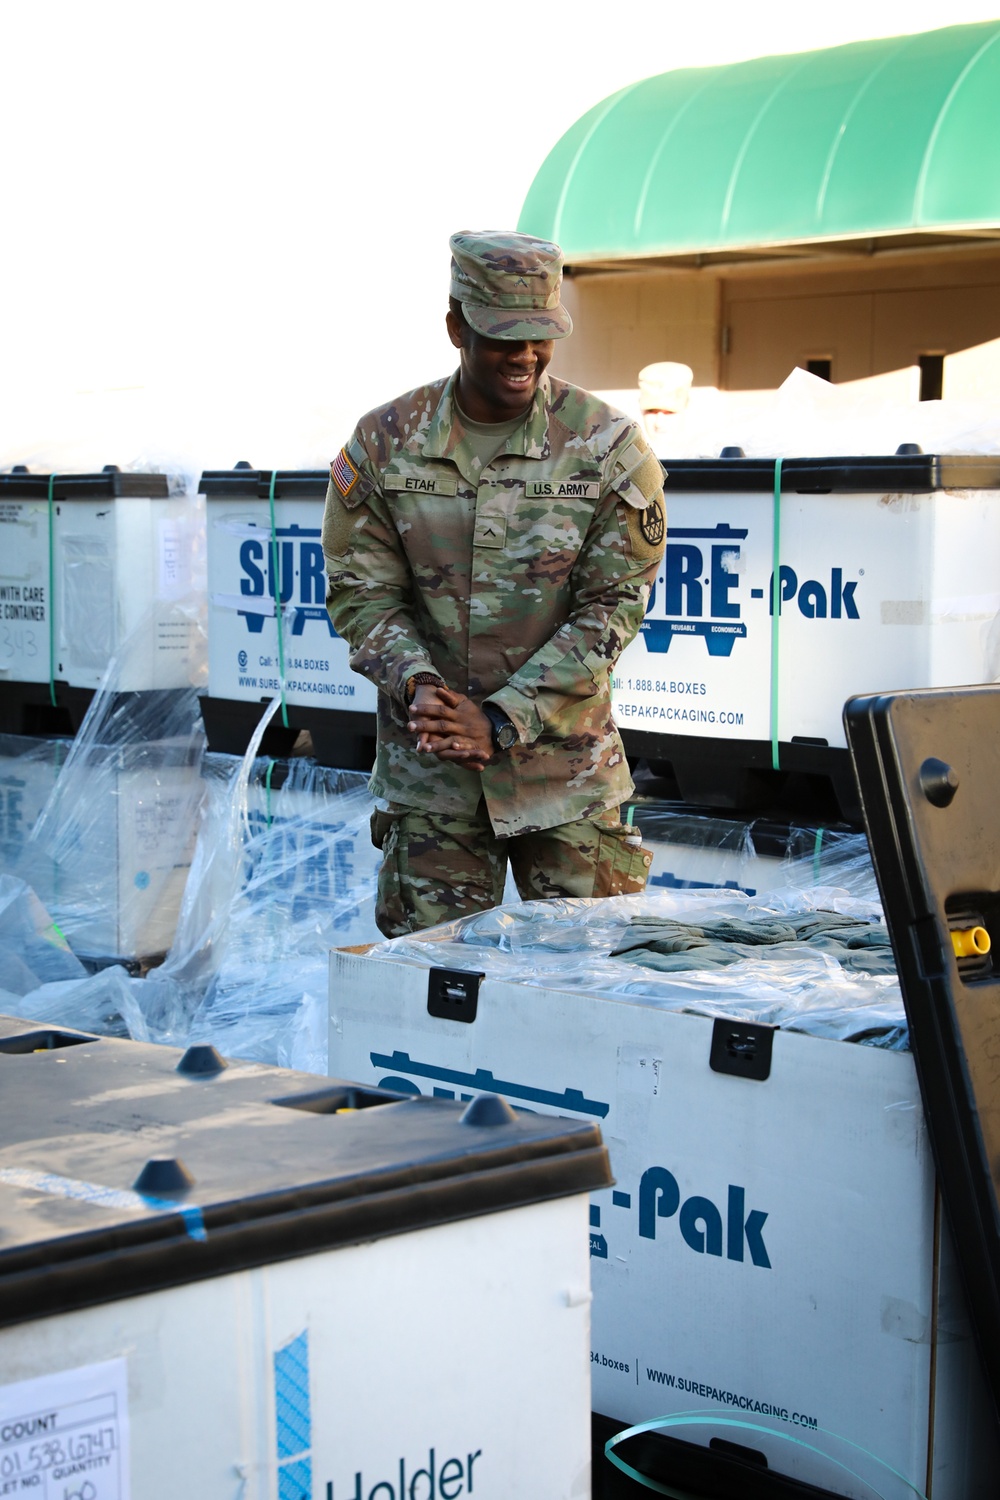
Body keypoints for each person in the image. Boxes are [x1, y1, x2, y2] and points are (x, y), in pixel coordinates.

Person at [323, 229, 667, 937]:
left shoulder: (607, 446)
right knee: (433, 992)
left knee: (594, 991)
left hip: (565, 782)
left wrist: (504, 717)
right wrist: (419, 687)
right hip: (434, 783)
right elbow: (363, 594)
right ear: (456, 325)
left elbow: (612, 609)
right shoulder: (385, 442)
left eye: (541, 336)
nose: (525, 356)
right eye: (502, 336)